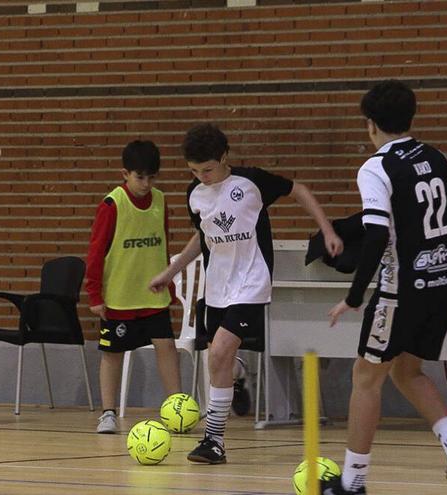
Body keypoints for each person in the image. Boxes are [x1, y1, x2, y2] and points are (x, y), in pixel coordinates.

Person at [150, 123, 342, 463]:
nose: (202, 177)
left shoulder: (251, 182)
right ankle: (237, 376)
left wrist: (326, 230)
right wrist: (171, 271)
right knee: (221, 359)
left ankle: (214, 441)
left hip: (252, 283)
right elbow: (203, 237)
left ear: (224, 157)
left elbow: (299, 189)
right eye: (194, 171)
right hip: (217, 288)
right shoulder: (194, 195)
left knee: (218, 353)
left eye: (207, 169)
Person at [324, 80, 447, 495]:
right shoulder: (434, 155)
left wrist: (354, 296)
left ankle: (352, 483)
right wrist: (439, 251)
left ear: (370, 124)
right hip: (445, 281)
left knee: (365, 378)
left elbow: (375, 236)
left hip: (402, 290)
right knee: (407, 371)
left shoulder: (376, 167)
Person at [85, 140, 182, 434]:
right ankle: (108, 413)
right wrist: (94, 293)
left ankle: (177, 410)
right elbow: (96, 252)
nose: (146, 184)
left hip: (153, 296)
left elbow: (162, 245)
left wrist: (170, 281)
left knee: (166, 347)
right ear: (124, 174)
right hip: (120, 297)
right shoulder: (112, 205)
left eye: (152, 178)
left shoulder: (161, 202)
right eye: (140, 177)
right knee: (113, 354)